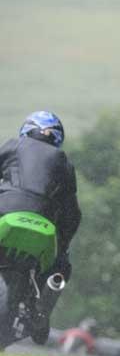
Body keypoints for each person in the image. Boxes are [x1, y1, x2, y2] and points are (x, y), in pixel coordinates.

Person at [0, 111, 82, 342]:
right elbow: (72, 213)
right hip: (44, 227)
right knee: (61, 265)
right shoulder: (64, 162)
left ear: (27, 130)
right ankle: (41, 312)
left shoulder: (13, 145)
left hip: (5, 211)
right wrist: (63, 246)